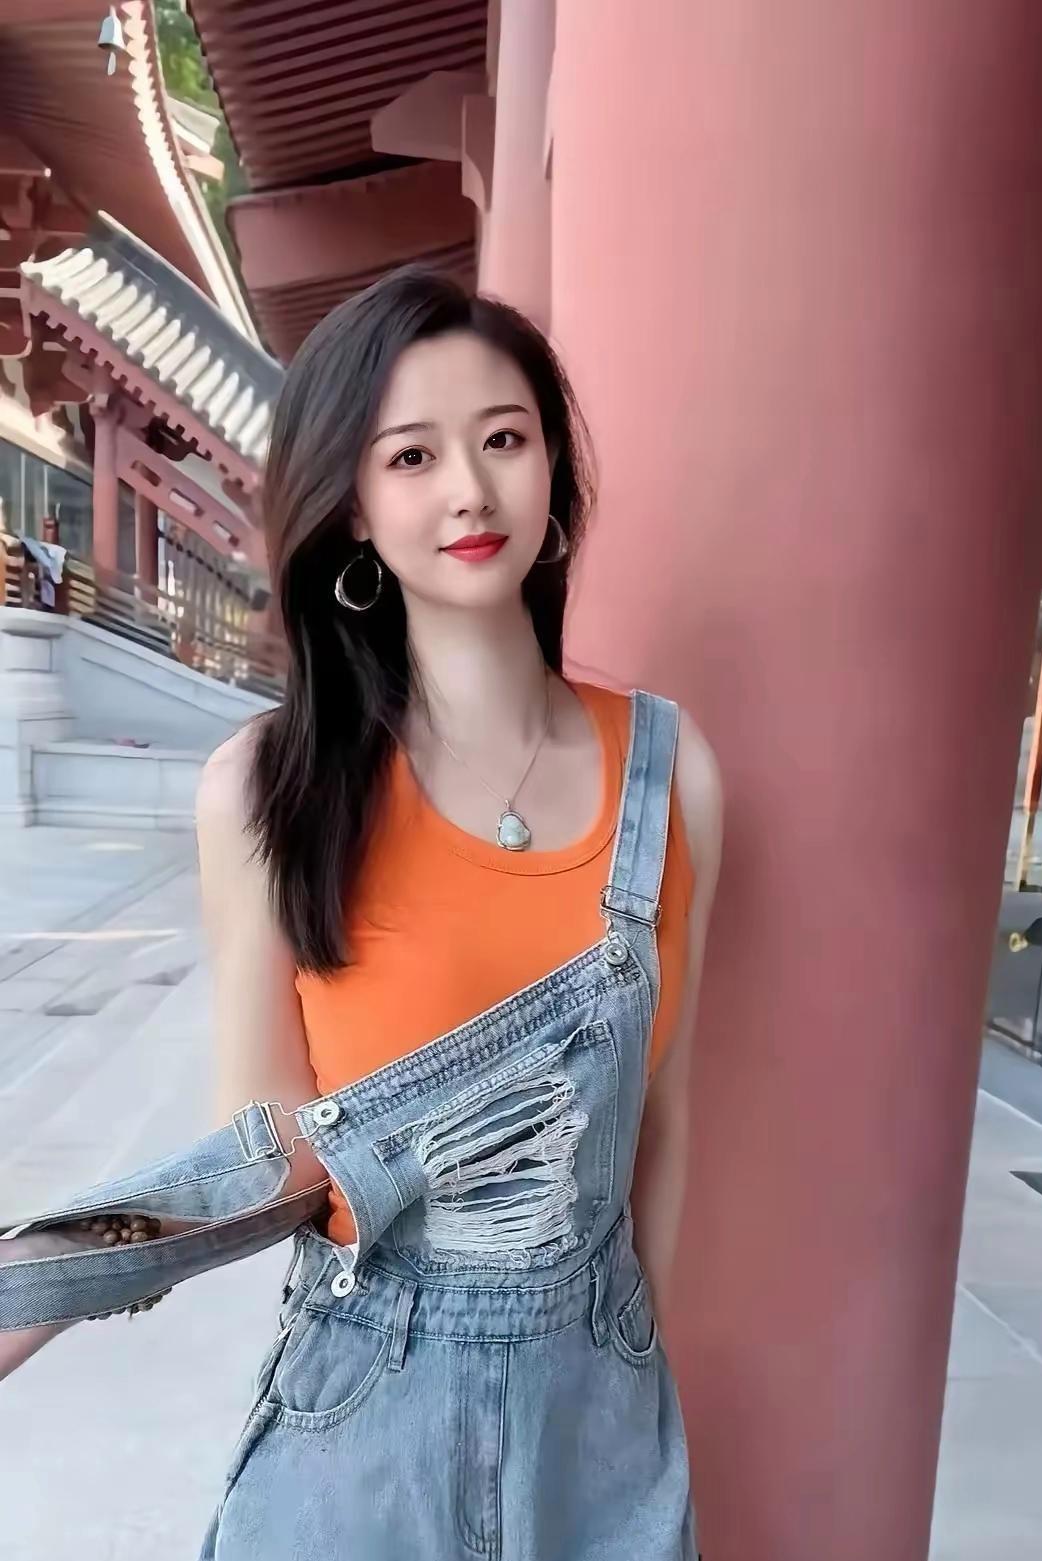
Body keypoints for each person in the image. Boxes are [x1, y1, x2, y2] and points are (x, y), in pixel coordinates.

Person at [0, 267, 723, 1559]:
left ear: (553, 468)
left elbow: (658, 1130)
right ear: (351, 503)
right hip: (365, 1418)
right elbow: (268, 1150)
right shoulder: (270, 790)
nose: (470, 490)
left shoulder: (672, 777)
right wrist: (39, 1279)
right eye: (412, 456)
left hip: (600, 1428)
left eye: (505, 439)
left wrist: (630, 1387)